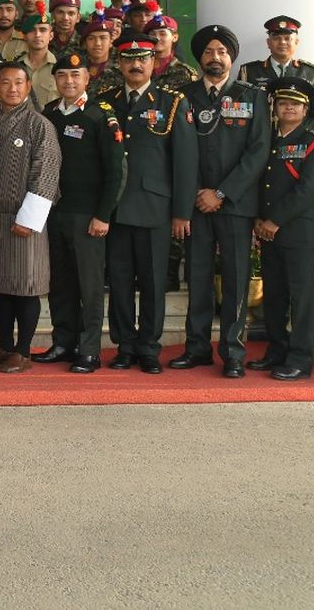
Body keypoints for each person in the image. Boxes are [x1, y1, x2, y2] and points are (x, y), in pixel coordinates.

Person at [174, 24, 271, 378]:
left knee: (235, 278)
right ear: (200, 58)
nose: (216, 58)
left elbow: (258, 152)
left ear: (231, 57)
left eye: (222, 52)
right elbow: (180, 154)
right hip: (196, 205)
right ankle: (197, 347)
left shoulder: (252, 97)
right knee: (197, 278)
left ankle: (232, 351)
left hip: (235, 204)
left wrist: (222, 192)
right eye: (209, 52)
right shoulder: (183, 96)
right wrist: (196, 195)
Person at [105, 32, 196, 374]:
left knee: (154, 282)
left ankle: (149, 347)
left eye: (142, 58)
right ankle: (125, 345)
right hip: (114, 209)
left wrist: (181, 212)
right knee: (120, 280)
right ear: (120, 63)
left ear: (153, 61)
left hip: (155, 209)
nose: (136, 64)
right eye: (129, 59)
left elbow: (185, 162)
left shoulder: (171, 102)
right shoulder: (107, 100)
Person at [36, 51, 126, 373]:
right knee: (60, 283)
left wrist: (104, 215)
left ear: (87, 79)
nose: (69, 81)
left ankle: (89, 349)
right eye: (62, 76)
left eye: (76, 76)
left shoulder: (101, 115)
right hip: (55, 213)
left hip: (88, 216)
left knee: (89, 286)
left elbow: (117, 170)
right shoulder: (49, 114)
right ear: (55, 80)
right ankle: (64, 342)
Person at [249, 77, 314, 382]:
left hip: (300, 234)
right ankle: (277, 350)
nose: (288, 108)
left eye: (295, 104)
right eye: (283, 102)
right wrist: (258, 219)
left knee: (302, 298)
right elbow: (260, 185)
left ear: (306, 109)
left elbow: (307, 190)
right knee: (274, 296)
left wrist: (274, 221)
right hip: (268, 232)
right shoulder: (266, 141)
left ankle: (299, 358)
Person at [0, 62, 62, 374]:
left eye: (18, 83)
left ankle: (23, 350)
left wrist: (29, 217)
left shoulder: (39, 125)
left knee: (26, 286)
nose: (12, 88)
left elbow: (46, 172)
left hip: (26, 218)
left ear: (28, 86)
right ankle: (4, 346)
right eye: (5, 82)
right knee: (0, 286)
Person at [238, 15, 314, 130]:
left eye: (287, 38)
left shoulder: (311, 72)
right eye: (276, 38)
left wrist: (303, 137)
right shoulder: (249, 72)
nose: (282, 42)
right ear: (268, 42)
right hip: (259, 141)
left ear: (296, 42)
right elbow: (242, 112)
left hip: (299, 143)